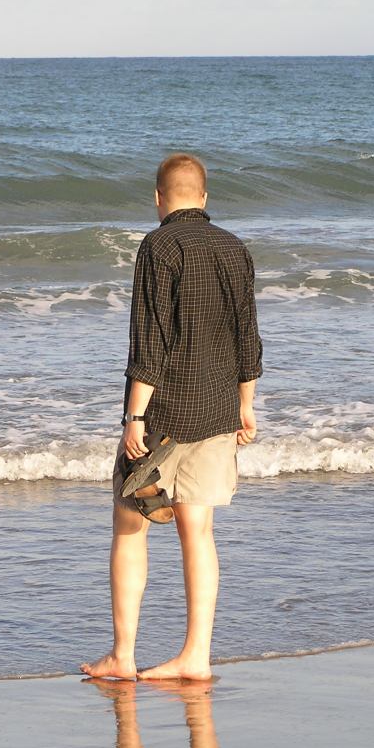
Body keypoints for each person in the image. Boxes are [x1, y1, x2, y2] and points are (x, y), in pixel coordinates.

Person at [81, 153, 263, 681]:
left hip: (164, 411)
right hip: (218, 408)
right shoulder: (234, 248)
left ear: (158, 198)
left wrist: (133, 417)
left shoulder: (158, 246)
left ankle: (123, 654)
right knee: (198, 531)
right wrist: (245, 405)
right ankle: (196, 656)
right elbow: (248, 338)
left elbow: (151, 342)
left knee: (129, 525)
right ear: (204, 197)